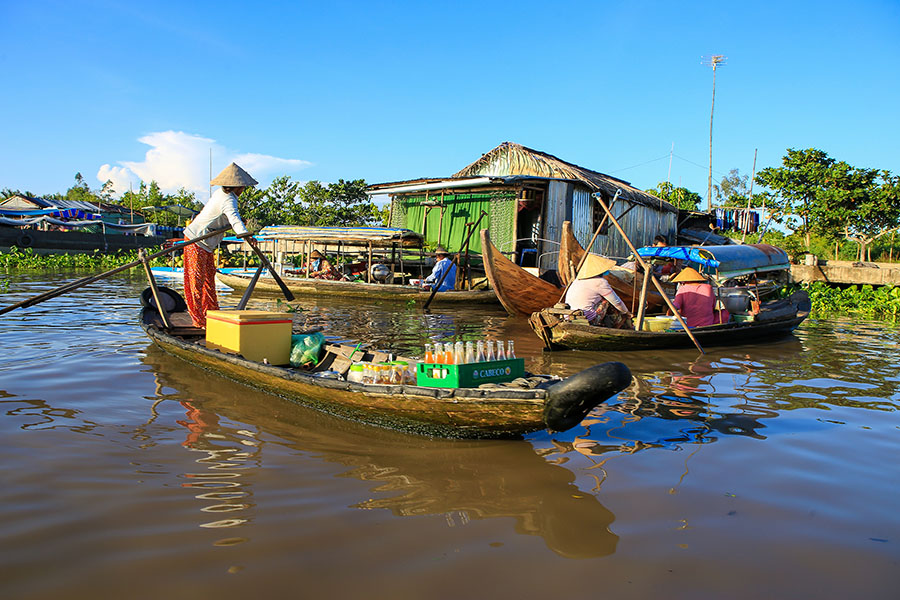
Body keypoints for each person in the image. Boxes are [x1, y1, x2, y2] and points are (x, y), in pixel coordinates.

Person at [182, 162, 259, 327]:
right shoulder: (228, 200)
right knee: (196, 282)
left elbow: (225, 218)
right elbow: (234, 218)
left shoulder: (223, 195)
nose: (243, 190)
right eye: (243, 187)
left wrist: (241, 229)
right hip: (196, 239)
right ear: (238, 187)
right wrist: (247, 236)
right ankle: (198, 320)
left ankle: (210, 314)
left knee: (209, 279)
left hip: (206, 243)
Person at [564, 254, 633, 329]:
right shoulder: (600, 282)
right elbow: (617, 302)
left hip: (568, 316)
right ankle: (619, 327)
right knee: (607, 302)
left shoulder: (577, 281)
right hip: (586, 319)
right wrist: (627, 312)